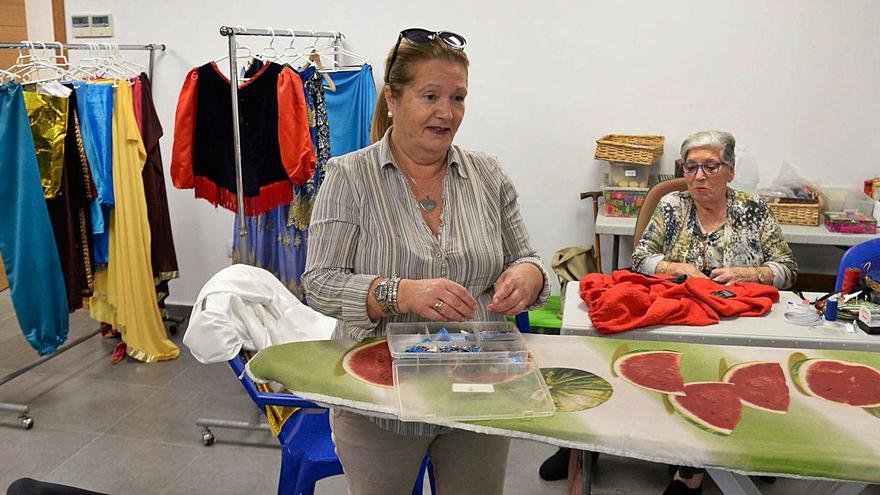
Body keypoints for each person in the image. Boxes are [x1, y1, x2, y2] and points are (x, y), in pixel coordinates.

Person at [303, 28, 550, 495]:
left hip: (480, 385)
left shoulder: (488, 174)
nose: (447, 112)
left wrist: (529, 275)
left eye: (458, 97)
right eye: (430, 95)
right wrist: (402, 293)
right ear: (392, 98)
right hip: (380, 396)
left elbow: (530, 259)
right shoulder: (348, 177)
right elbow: (320, 283)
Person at [630, 130, 798, 494]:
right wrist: (674, 267)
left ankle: (722, 457)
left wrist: (749, 274)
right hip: (680, 321)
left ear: (730, 171)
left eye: (710, 166)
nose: (699, 176)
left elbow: (787, 268)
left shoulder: (753, 210)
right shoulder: (672, 206)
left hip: (740, 325)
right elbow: (640, 259)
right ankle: (685, 468)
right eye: (691, 167)